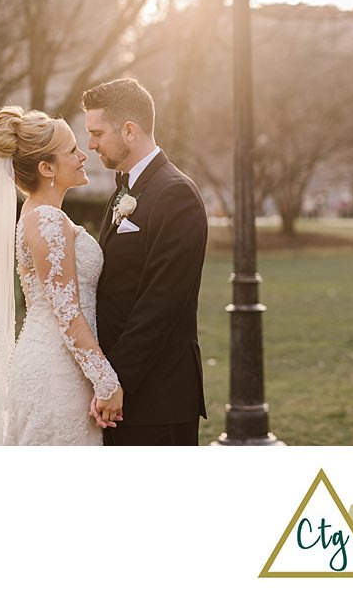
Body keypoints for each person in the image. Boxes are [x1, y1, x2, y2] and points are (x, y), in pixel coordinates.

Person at [0, 106, 123, 446]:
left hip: (59, 366)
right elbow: (67, 314)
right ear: (47, 168)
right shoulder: (47, 221)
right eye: (72, 151)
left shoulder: (41, 216)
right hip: (56, 375)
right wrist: (107, 382)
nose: (82, 156)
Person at [84, 78, 209, 446]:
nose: (90, 144)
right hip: (126, 394)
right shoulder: (126, 189)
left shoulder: (176, 194)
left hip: (159, 397)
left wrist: (115, 379)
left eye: (97, 133)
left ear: (129, 130)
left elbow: (162, 302)